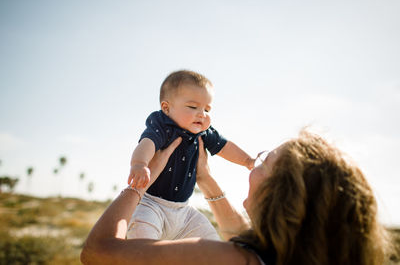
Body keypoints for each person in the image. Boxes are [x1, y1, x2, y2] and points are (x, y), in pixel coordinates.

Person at [81, 130, 390, 265]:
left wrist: (139, 186)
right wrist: (205, 179)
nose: (251, 167)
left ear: (282, 195)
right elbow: (239, 234)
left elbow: (98, 253)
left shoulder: (227, 260)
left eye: (264, 162)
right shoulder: (298, 255)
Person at [126, 70, 254, 240]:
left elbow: (225, 146)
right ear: (166, 108)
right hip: (151, 204)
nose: (202, 114)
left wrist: (247, 160)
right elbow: (147, 143)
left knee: (210, 240)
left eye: (207, 109)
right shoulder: (163, 126)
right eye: (193, 107)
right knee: (142, 234)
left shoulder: (203, 132)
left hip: (184, 211)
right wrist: (139, 164)